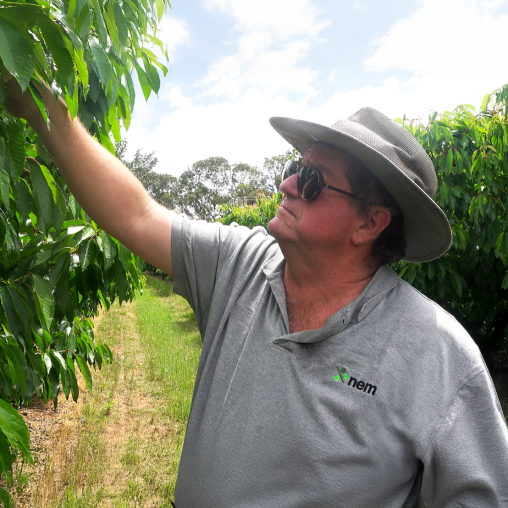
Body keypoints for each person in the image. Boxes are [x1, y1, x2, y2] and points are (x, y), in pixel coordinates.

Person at [4, 77, 508, 508]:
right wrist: (45, 110)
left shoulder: (437, 355)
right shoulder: (240, 263)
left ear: (369, 223)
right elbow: (137, 215)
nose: (287, 185)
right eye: (294, 169)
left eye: (312, 180)